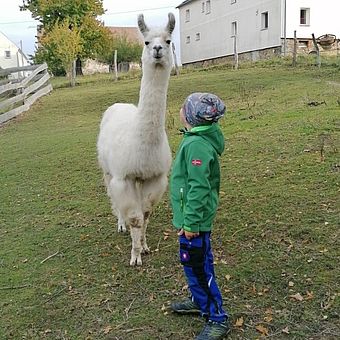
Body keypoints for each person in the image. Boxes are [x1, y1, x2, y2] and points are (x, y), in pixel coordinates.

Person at [169, 93, 230, 339]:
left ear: (192, 116)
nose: (180, 111)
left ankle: (217, 318)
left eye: (183, 108)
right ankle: (198, 299)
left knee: (199, 267)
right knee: (195, 263)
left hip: (194, 223)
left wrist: (191, 222)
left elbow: (199, 187)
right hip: (191, 221)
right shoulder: (197, 137)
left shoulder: (197, 145)